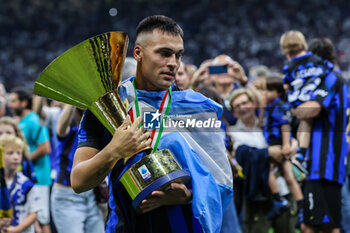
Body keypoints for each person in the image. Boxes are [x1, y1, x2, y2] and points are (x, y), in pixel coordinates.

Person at [72, 15, 233, 233]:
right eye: (164, 53)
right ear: (138, 53)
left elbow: (221, 182)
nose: (173, 63)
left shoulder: (197, 108)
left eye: (178, 55)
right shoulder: (108, 106)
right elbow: (79, 181)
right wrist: (114, 150)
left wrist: (187, 195)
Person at [228, 88, 298, 233]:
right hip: (255, 193)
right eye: (237, 106)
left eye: (244, 102)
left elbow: (286, 141)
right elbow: (242, 157)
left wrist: (293, 145)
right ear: (234, 112)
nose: (242, 107)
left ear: (253, 104)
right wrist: (268, 152)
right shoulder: (231, 133)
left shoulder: (268, 125)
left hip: (281, 187)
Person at [51, 104, 104, 233]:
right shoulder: (70, 124)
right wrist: (72, 100)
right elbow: (60, 130)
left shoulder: (95, 124)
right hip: (67, 196)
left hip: (90, 195)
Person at [8, 87, 52, 233]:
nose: (10, 105)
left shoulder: (33, 120)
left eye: (14, 101)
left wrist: (23, 160)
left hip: (39, 178)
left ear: (24, 102)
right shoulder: (22, 121)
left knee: (42, 219)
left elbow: (45, 148)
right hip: (28, 178)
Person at [262, 75, 304, 220]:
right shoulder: (269, 106)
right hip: (275, 142)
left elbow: (285, 125)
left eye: (268, 91)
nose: (265, 94)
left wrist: (286, 144)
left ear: (278, 92)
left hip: (277, 143)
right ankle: (300, 205)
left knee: (266, 170)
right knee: (288, 175)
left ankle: (278, 199)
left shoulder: (280, 106)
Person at [0, 134, 41, 233]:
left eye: (19, 153)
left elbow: (34, 213)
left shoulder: (26, 184)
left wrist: (17, 229)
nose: (16, 157)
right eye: (10, 153)